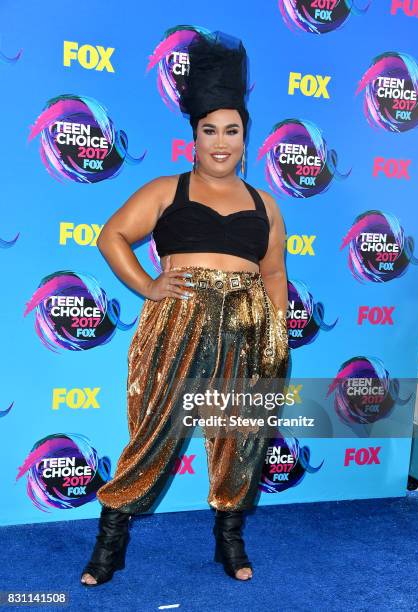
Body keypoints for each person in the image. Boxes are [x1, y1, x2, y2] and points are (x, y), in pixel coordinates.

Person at [80, 31, 289, 587]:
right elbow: (111, 237)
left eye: (233, 131)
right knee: (154, 431)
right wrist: (149, 286)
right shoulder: (165, 189)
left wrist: (278, 337)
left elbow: (273, 274)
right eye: (209, 130)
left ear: (247, 137)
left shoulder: (265, 204)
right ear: (194, 136)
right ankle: (110, 545)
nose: (221, 142)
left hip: (248, 330)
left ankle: (230, 542)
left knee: (238, 439)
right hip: (178, 324)